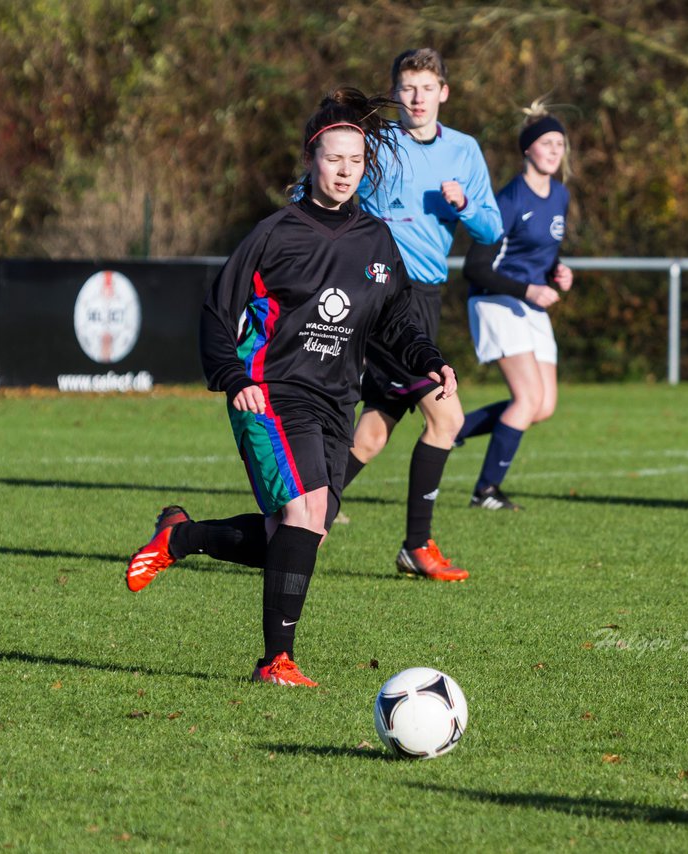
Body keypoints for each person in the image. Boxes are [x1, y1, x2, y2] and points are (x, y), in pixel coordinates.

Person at [124, 88, 458, 688]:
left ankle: (181, 537)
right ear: (312, 160)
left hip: (336, 401)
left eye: (355, 162)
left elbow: (397, 320)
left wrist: (428, 358)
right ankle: (275, 661)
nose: (345, 171)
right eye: (334, 159)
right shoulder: (275, 234)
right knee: (302, 513)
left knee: (302, 529)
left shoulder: (376, 241)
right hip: (271, 393)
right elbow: (216, 313)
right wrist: (232, 378)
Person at [341, 47, 502, 582]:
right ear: (395, 92)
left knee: (371, 436)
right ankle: (416, 545)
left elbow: (490, 230)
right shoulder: (376, 144)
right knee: (448, 417)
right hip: (383, 296)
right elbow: (324, 191)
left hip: (425, 299)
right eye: (407, 88)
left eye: (426, 88)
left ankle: (292, 517)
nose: (416, 98)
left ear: (443, 93)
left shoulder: (464, 151)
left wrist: (465, 207)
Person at [456, 100, 575, 511]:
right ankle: (485, 491)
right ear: (527, 149)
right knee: (525, 400)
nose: (555, 150)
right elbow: (475, 267)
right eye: (546, 142)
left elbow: (541, 253)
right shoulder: (507, 199)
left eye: (560, 143)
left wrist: (559, 271)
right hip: (495, 302)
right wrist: (529, 290)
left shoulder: (560, 195)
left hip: (529, 304)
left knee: (543, 406)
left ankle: (454, 426)